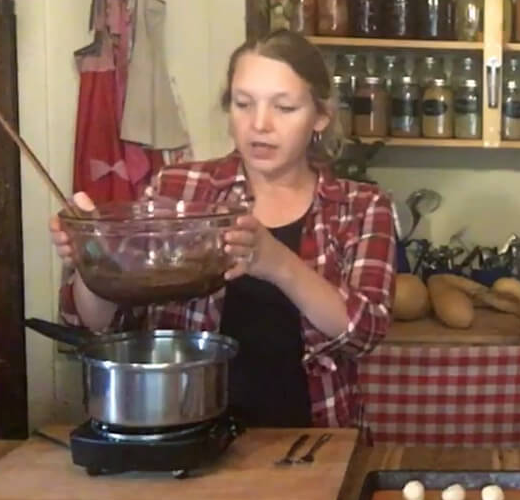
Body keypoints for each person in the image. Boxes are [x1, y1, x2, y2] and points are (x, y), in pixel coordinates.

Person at [49, 29, 398, 428]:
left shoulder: (360, 207)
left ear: (320, 116)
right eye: (243, 104)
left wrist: (277, 263)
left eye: (284, 108)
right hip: (177, 429)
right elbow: (95, 324)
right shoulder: (176, 190)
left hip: (310, 440)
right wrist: (92, 254)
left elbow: (364, 333)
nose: (260, 125)